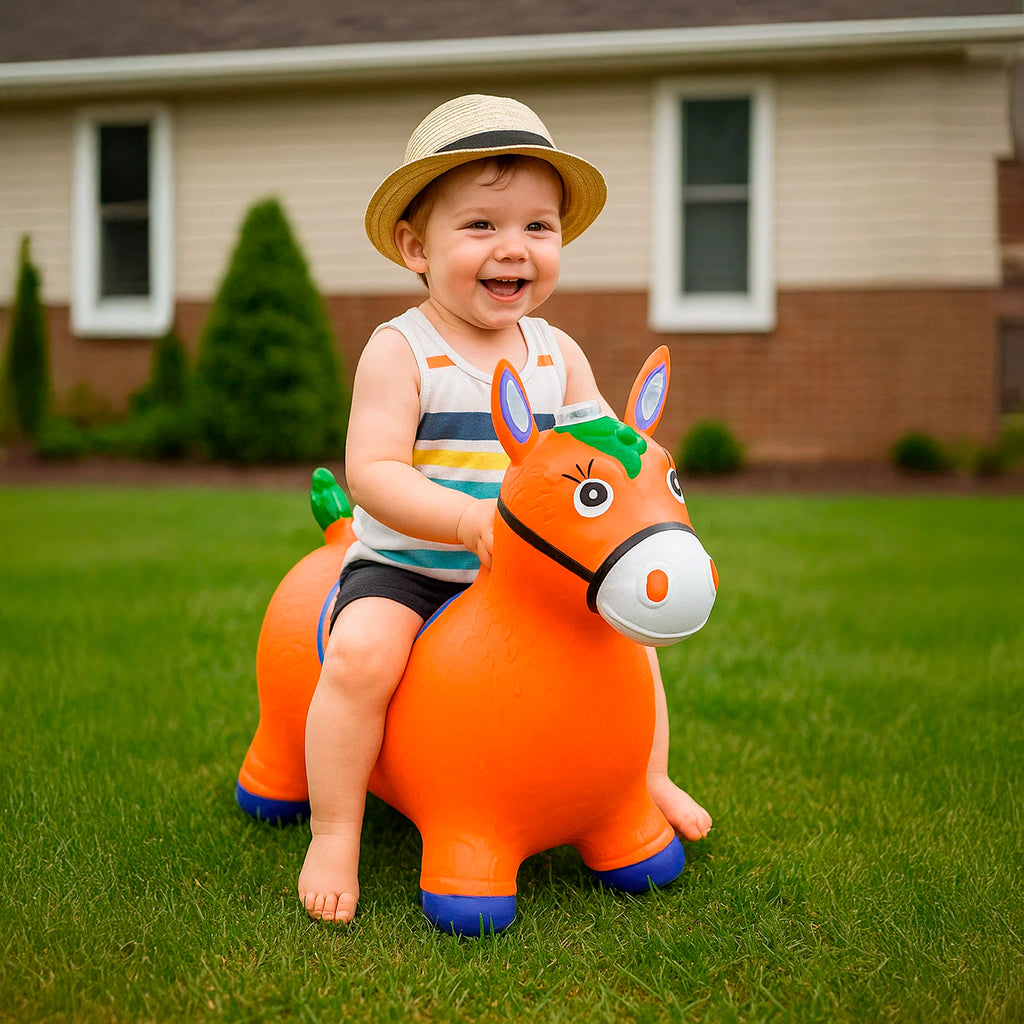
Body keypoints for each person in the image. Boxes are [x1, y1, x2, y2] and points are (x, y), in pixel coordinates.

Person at [298, 93, 712, 923]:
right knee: (360, 659)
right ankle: (335, 829)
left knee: (632, 646)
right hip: (416, 567)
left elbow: (602, 455)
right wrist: (463, 522)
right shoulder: (403, 350)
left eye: (537, 227)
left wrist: (638, 488)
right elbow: (372, 471)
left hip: (535, 578)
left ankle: (646, 776)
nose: (513, 247)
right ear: (416, 247)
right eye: (481, 226)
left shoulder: (558, 353)